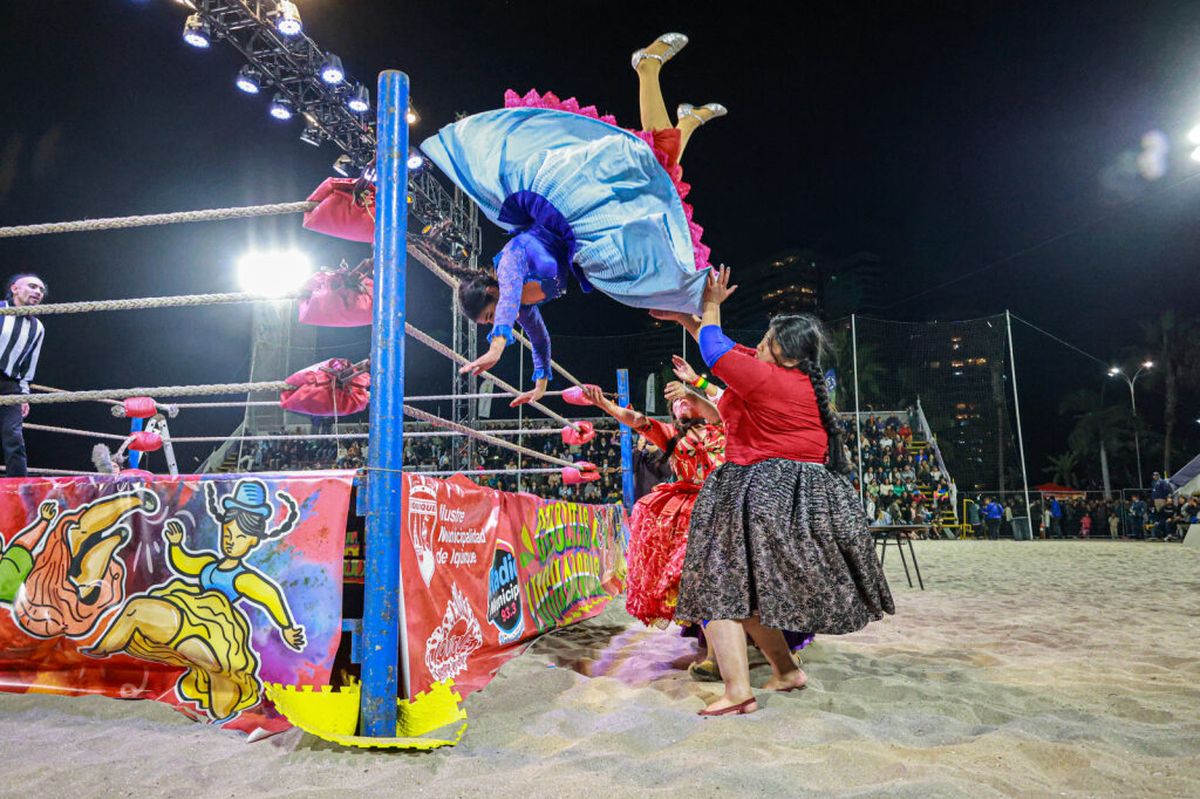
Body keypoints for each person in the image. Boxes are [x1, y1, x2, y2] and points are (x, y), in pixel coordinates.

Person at [405, 33, 726, 406]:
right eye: (490, 325)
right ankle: (684, 120)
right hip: (590, 252)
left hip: (573, 212)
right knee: (659, 175)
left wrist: (497, 347)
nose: (495, 323)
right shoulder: (524, 309)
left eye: (490, 316)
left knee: (649, 162)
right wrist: (540, 383)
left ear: (490, 292)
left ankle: (647, 68)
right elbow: (540, 340)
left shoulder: (510, 264)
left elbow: (508, 301)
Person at [655, 268, 894, 716]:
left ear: (784, 351)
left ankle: (737, 691)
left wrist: (711, 306)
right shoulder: (795, 380)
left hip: (760, 490)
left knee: (719, 590)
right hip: (794, 497)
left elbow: (717, 349)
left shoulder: (766, 380)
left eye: (768, 339)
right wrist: (690, 320)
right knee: (748, 593)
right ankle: (785, 671)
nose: (760, 342)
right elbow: (727, 351)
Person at [0, 274, 47, 478]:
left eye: (41, 289)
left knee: (14, 436)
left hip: (11, 384)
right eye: (32, 286)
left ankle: (18, 489)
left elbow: (29, 365)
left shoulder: (37, 327)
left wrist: (24, 394)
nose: (38, 291)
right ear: (14, 289)